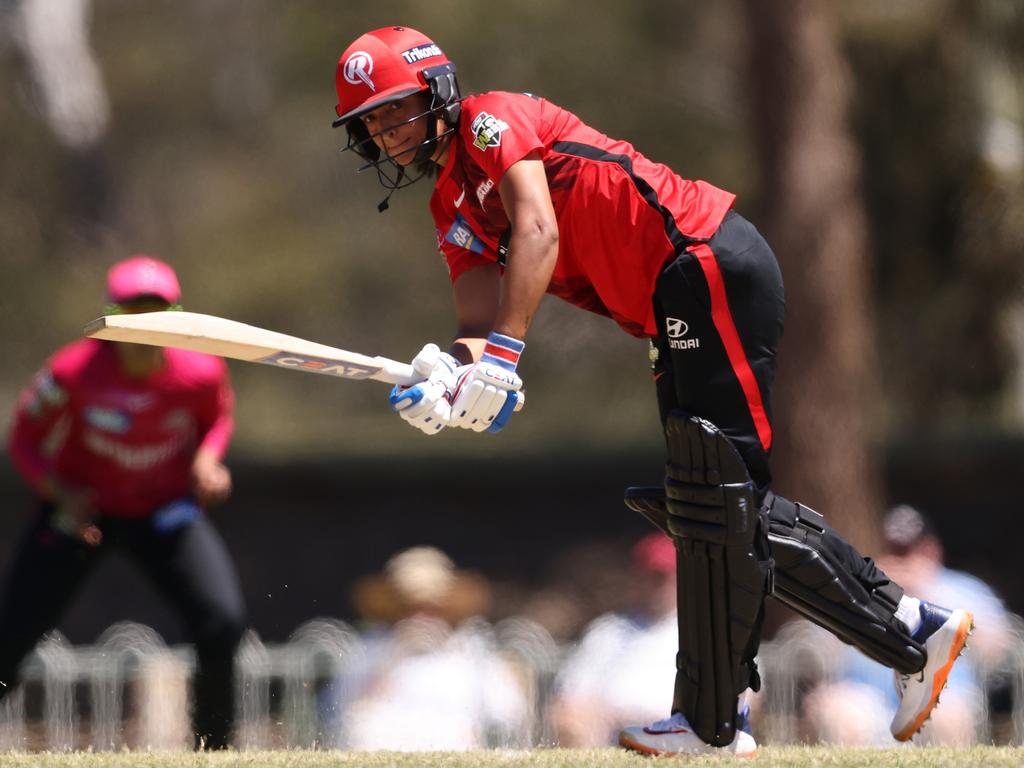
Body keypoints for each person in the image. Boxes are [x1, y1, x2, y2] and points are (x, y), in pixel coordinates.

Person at [330, 26, 975, 756]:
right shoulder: (449, 207)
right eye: (372, 124)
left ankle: (905, 634)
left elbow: (537, 231)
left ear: (438, 91)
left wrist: (503, 358)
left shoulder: (492, 118)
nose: (386, 133)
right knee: (706, 505)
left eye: (396, 110)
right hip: (668, 304)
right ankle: (715, 719)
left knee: (719, 500)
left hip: (703, 260)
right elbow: (478, 321)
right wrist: (447, 381)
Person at [1, 255, 247, 750]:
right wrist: (59, 494)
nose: (145, 330)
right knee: (12, 633)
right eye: (133, 315)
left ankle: (215, 751)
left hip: (164, 513)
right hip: (82, 514)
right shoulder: (71, 372)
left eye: (157, 316)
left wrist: (208, 460)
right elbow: (24, 440)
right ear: (111, 317)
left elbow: (217, 418)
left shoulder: (201, 372)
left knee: (222, 621)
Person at [802, 504, 1013, 745]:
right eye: (893, 551)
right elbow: (814, 645)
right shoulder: (854, 585)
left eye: (910, 552)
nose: (902, 562)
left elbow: (1000, 647)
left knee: (948, 713)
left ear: (933, 550)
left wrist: (928, 591)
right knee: (838, 708)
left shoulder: (961, 588)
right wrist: (871, 595)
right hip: (864, 697)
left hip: (945, 696)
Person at [337, 546, 530, 750]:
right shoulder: (372, 647)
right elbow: (339, 709)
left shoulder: (472, 650)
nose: (420, 617)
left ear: (447, 608)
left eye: (431, 608)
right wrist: (389, 661)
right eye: (409, 607)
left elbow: (510, 712)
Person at [550, 533, 682, 747]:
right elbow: (569, 700)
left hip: (679, 739)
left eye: (666, 577)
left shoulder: (698, 633)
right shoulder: (607, 632)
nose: (660, 586)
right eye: (652, 577)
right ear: (637, 578)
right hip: (612, 737)